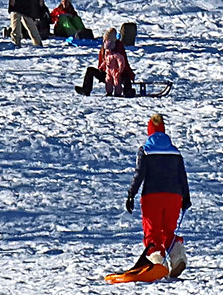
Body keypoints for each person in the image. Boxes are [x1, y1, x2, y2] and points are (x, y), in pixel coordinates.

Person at [115, 114, 192, 282]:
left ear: (149, 130)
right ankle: (178, 255)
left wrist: (131, 195)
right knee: (168, 230)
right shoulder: (175, 152)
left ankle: (157, 262)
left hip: (152, 197)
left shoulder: (146, 150)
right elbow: (182, 176)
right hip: (174, 197)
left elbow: (139, 174)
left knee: (152, 231)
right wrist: (186, 197)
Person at [75, 28, 135, 97]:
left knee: (126, 75)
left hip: (119, 73)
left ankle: (128, 91)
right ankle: (86, 89)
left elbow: (124, 63)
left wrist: (119, 71)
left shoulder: (119, 47)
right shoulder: (104, 48)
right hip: (107, 73)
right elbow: (102, 62)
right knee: (90, 70)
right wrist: (102, 68)